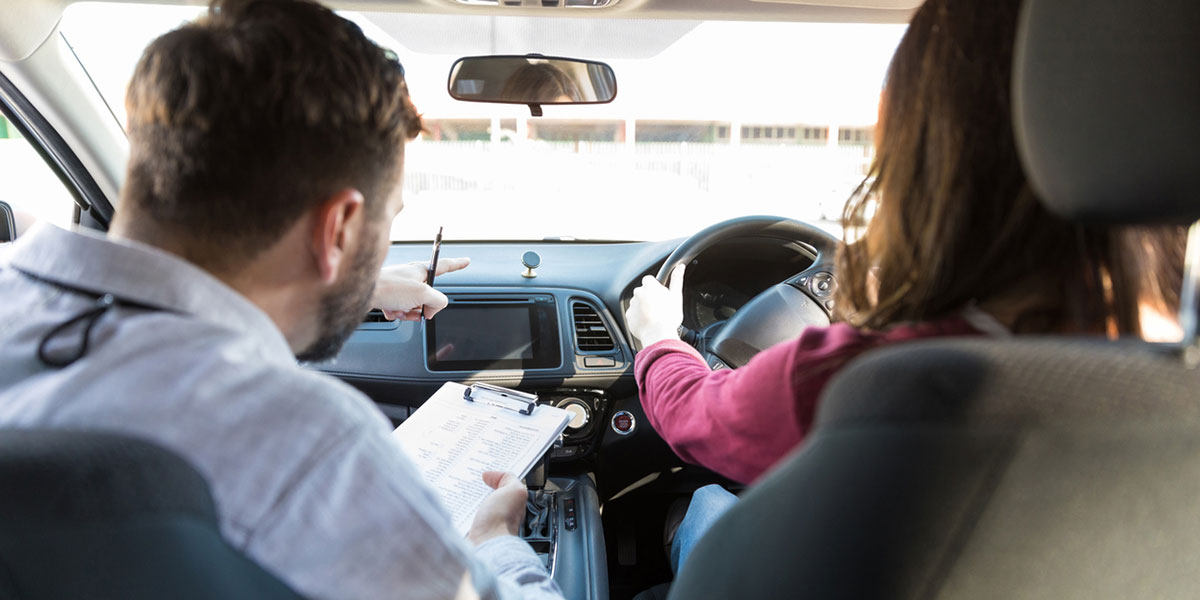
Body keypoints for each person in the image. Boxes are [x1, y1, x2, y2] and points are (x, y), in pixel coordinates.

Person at [0, 1, 561, 599]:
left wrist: (354, 283)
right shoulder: (311, 447)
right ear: (339, 227)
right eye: (385, 222)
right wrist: (496, 540)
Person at [626, 0, 1186, 569]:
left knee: (705, 505)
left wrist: (658, 340)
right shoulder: (1176, 363)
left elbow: (695, 415)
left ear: (927, 157)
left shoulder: (865, 381)